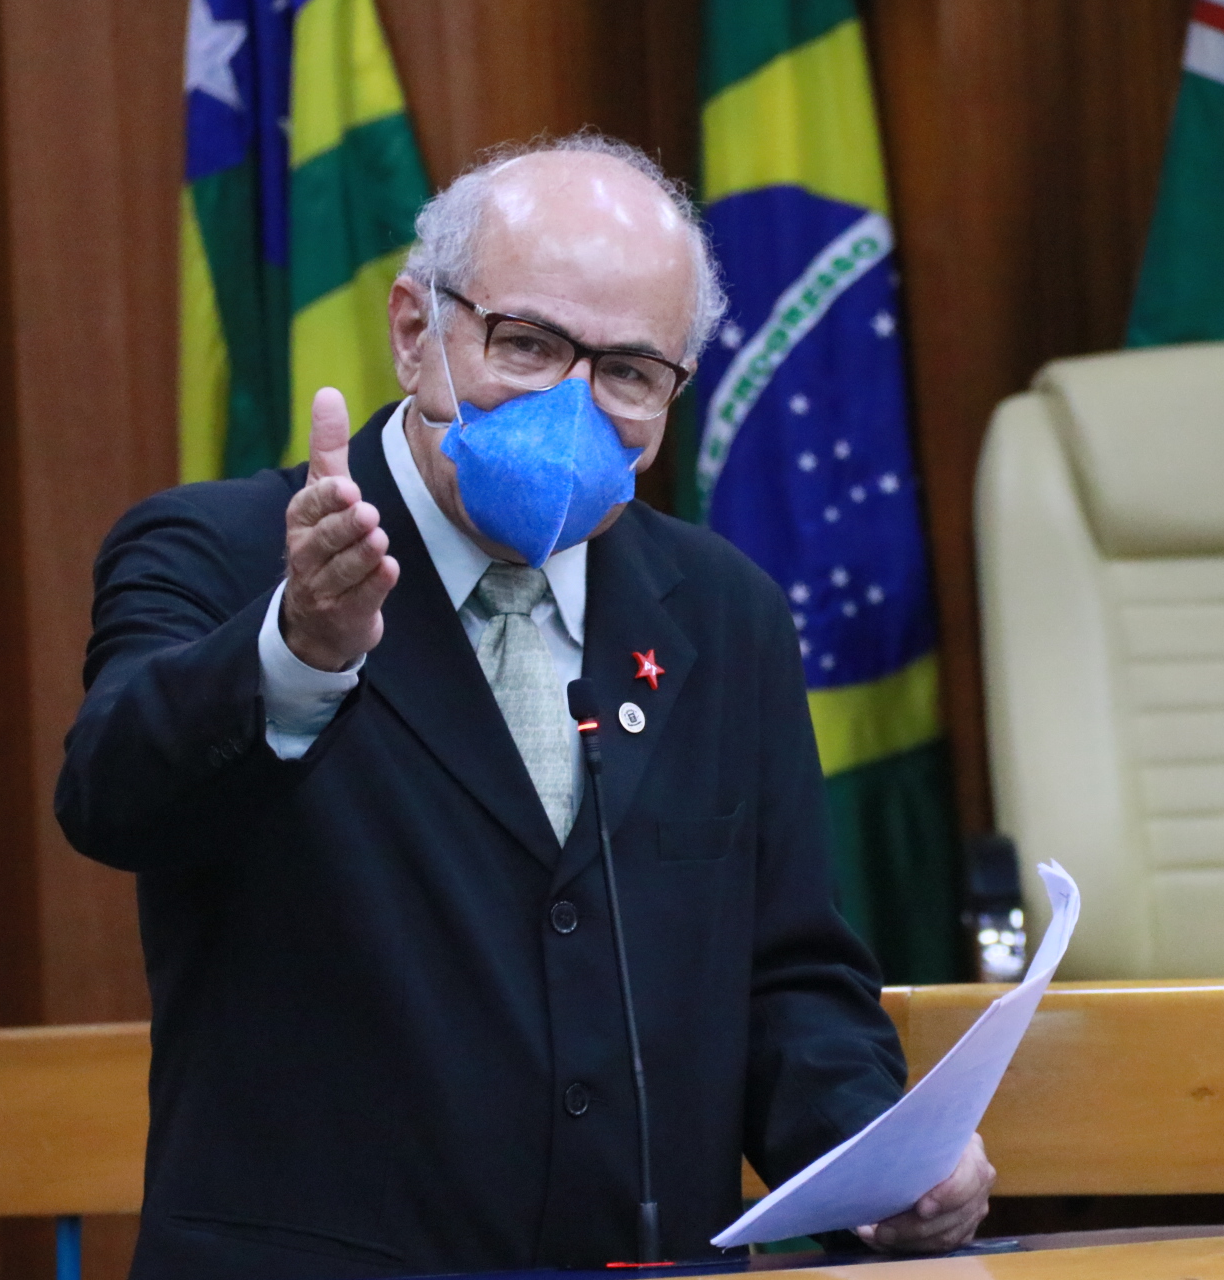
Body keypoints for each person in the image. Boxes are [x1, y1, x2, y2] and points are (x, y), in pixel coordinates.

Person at [57, 134, 994, 1280]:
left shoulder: (723, 612)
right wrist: (300, 648)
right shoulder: (222, 553)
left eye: (630, 373)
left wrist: (873, 1154)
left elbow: (786, 976)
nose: (574, 404)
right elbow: (112, 798)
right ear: (416, 330)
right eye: (530, 343)